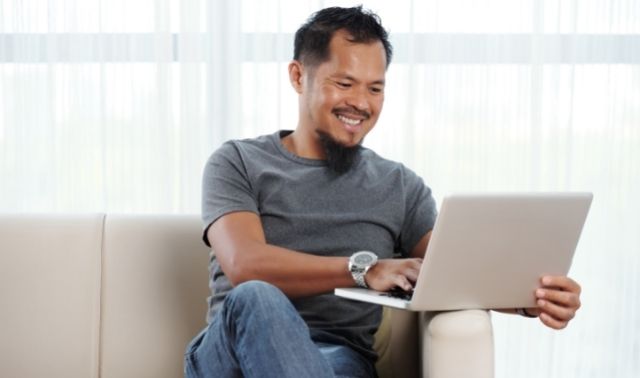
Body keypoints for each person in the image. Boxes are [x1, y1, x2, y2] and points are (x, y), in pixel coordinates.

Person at [184, 6, 582, 378]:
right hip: (229, 357)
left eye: (375, 89)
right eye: (344, 83)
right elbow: (245, 265)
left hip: (337, 362)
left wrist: (531, 300)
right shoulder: (238, 161)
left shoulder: (399, 186)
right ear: (298, 76)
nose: (360, 103)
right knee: (257, 297)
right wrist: (365, 270)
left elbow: (454, 271)